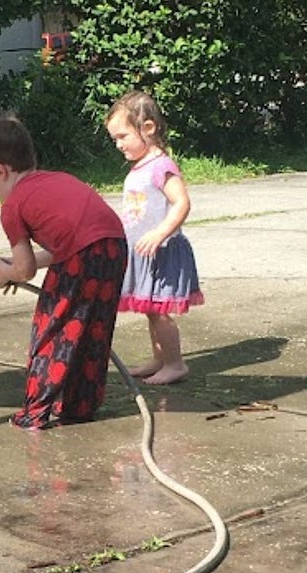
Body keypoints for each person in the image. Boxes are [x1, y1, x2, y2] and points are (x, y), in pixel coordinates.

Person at [0, 115, 127, 430]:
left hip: (83, 254)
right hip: (114, 246)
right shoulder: (56, 180)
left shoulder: (11, 206)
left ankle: (34, 413)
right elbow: (65, 245)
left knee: (53, 330)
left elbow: (23, 270)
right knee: (93, 329)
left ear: (1, 170)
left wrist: (7, 273)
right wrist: (9, 268)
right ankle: (80, 405)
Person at [104, 90, 204, 385]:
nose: (119, 144)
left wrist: (161, 233)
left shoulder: (162, 166)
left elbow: (182, 203)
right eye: (115, 140)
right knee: (150, 310)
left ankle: (175, 364)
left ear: (148, 128)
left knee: (159, 312)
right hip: (144, 252)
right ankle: (160, 358)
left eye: (123, 136)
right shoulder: (141, 166)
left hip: (162, 251)